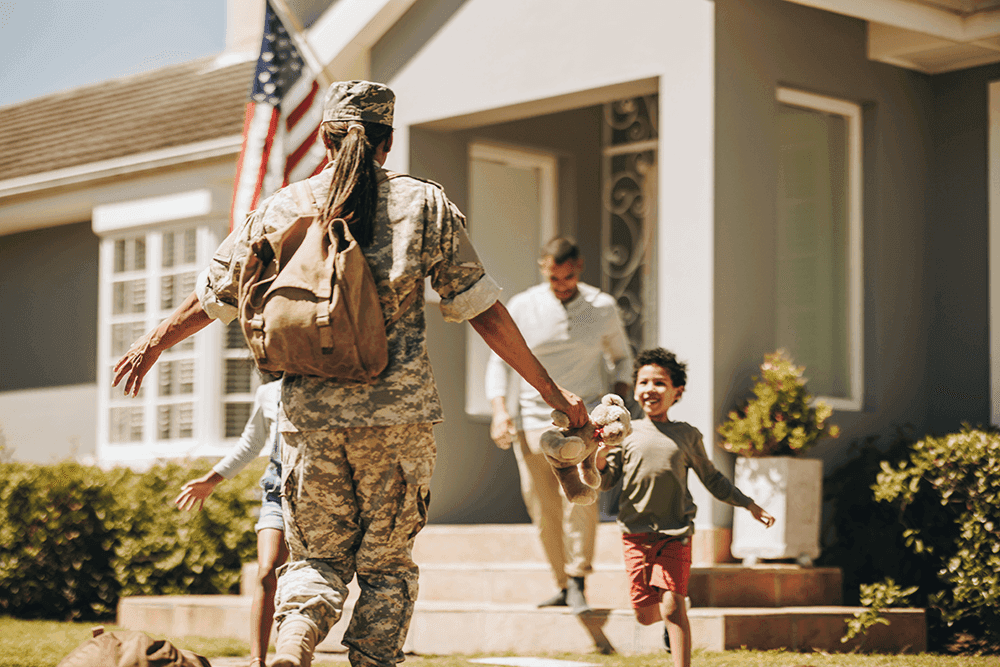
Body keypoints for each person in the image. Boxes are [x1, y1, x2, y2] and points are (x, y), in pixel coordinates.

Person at [112, 80, 587, 667]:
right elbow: (481, 310)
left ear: (323, 137)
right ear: (388, 141)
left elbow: (215, 297)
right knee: (386, 567)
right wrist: (552, 391)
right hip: (398, 421)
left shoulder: (282, 205)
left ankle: (293, 645)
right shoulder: (423, 205)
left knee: (314, 558)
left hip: (308, 422)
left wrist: (152, 341)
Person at [596, 348, 775, 667]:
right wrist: (597, 459)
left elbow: (713, 478)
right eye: (644, 382)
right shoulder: (624, 434)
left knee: (672, 606)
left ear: (677, 392)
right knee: (646, 614)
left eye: (660, 383)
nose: (650, 389)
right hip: (635, 536)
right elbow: (607, 481)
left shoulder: (687, 435)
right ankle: (669, 615)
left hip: (676, 532)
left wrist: (748, 504)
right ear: (635, 389)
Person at [484, 237, 633, 614]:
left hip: (583, 421)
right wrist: (501, 411)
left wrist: (615, 403)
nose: (561, 284)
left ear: (579, 268)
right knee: (543, 506)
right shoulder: (523, 305)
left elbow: (622, 359)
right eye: (554, 278)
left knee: (581, 497)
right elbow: (499, 362)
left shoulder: (601, 307)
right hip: (533, 420)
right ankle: (562, 584)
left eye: (567, 277)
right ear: (543, 269)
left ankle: (579, 577)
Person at [174, 379, 285, 667]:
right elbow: (251, 443)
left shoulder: (329, 381)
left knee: (302, 581)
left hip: (321, 497)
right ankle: (256, 661)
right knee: (266, 571)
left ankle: (293, 656)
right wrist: (210, 481)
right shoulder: (269, 391)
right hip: (278, 494)